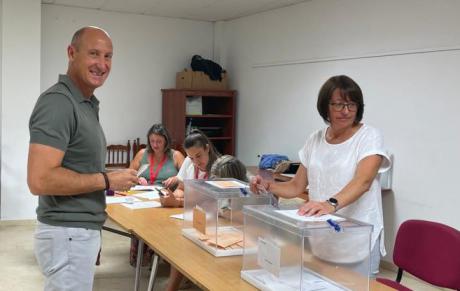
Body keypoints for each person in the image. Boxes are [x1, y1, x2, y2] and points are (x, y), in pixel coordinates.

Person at [27, 26, 138, 291]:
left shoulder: (84, 103)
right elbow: (39, 179)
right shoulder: (59, 103)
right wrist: (106, 179)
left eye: (108, 56)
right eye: (94, 54)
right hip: (68, 234)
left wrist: (109, 179)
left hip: (77, 234)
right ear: (71, 53)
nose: (102, 64)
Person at [250, 75, 391, 277]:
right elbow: (296, 186)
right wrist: (268, 186)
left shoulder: (369, 136)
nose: (346, 111)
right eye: (339, 105)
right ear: (325, 107)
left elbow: (363, 181)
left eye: (352, 105)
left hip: (356, 240)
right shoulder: (315, 139)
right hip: (321, 237)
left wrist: (329, 204)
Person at [164, 154, 248, 291]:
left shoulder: (248, 191)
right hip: (223, 231)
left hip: (242, 241)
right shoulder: (222, 190)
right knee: (184, 247)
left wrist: (224, 212)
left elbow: (242, 218)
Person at [128, 123, 184, 267]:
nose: (155, 145)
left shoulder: (176, 155)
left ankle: (162, 254)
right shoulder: (142, 154)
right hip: (143, 195)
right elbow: (129, 173)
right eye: (152, 141)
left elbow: (188, 178)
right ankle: (142, 256)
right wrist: (138, 178)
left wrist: (176, 178)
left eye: (159, 141)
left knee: (159, 222)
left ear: (166, 140)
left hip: (165, 197)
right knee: (140, 220)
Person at [160, 129, 220, 208]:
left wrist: (177, 202)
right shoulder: (188, 161)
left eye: (198, 156)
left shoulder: (219, 168)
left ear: (207, 148)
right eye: (191, 158)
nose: (196, 162)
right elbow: (181, 189)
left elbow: (208, 203)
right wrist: (173, 196)